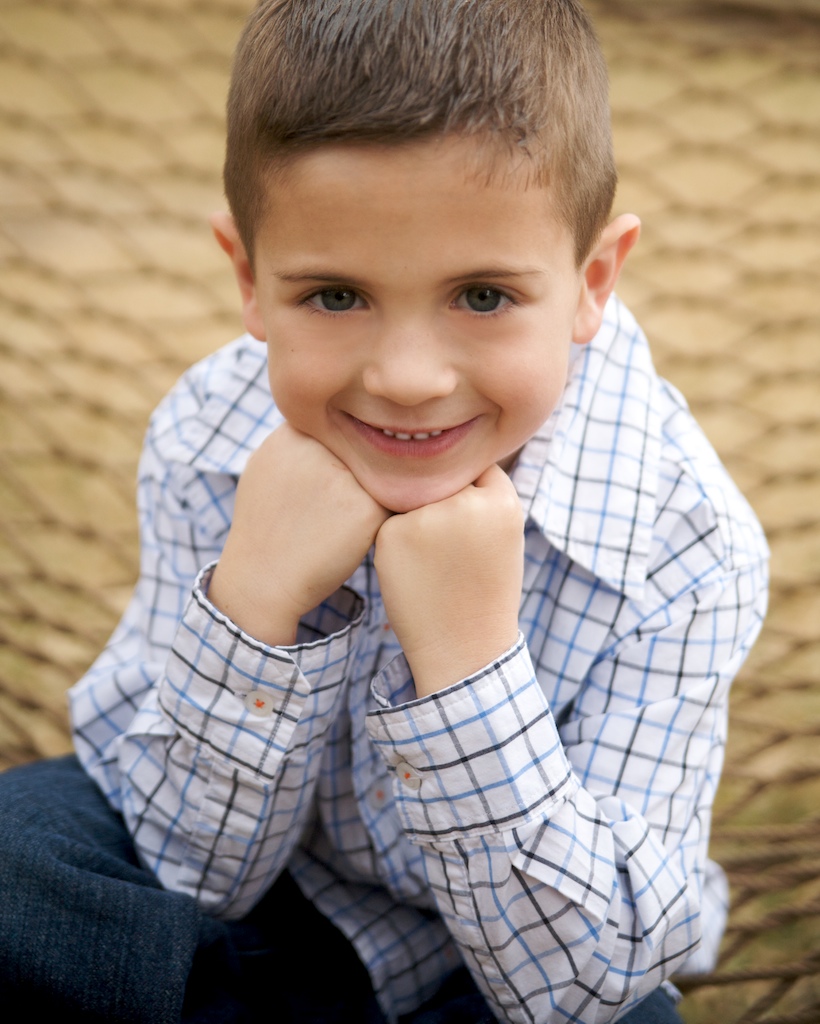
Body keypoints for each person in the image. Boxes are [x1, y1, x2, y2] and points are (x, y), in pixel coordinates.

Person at [0, 1, 769, 1022]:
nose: (407, 379)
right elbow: (177, 862)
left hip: (505, 953)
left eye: (482, 296)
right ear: (249, 278)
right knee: (16, 862)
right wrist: (255, 603)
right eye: (335, 296)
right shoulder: (210, 432)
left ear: (592, 281)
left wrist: (468, 664)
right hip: (268, 902)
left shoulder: (682, 540)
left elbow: (581, 984)